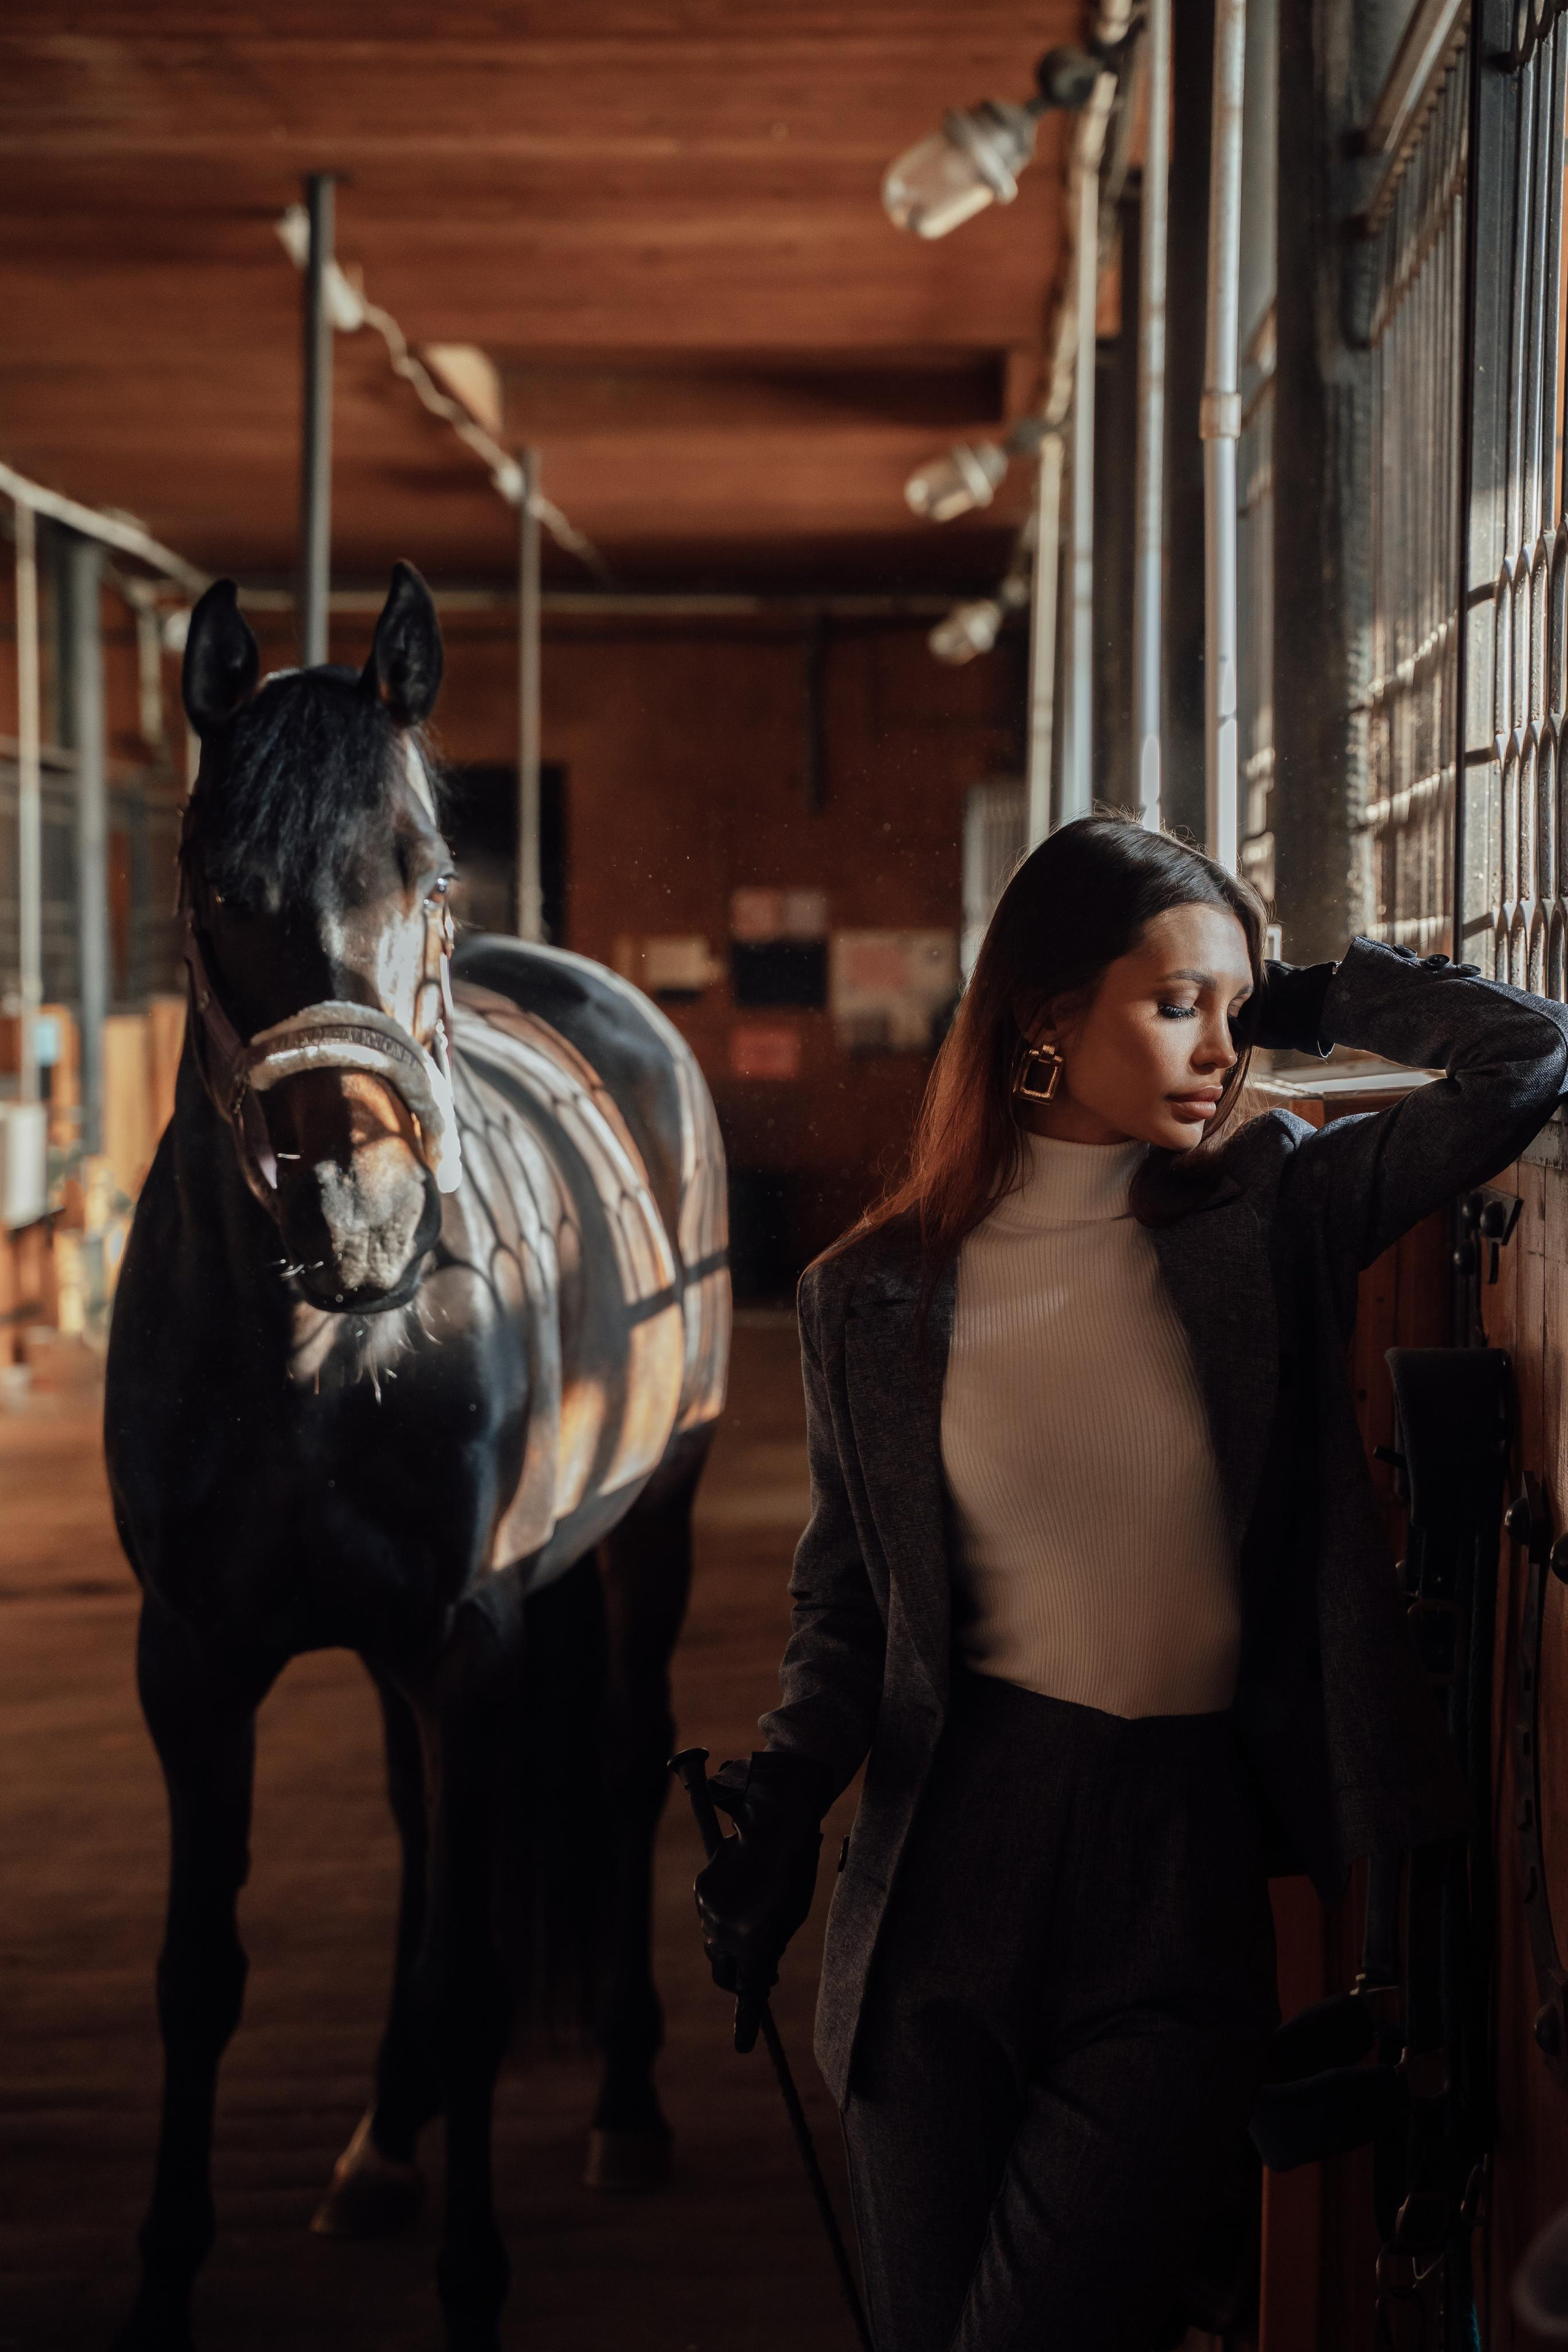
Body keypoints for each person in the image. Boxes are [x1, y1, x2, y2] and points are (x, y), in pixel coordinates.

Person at [691, 816, 1568, 2352]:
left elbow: (1523, 1060)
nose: (1218, 1052)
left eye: (1234, 1014)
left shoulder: (1270, 1216)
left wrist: (1286, 988)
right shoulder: (867, 1297)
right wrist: (782, 1800)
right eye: (1176, 1006)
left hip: (1177, 1869)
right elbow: (848, 1601)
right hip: (937, 1880)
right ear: (1042, 1017)